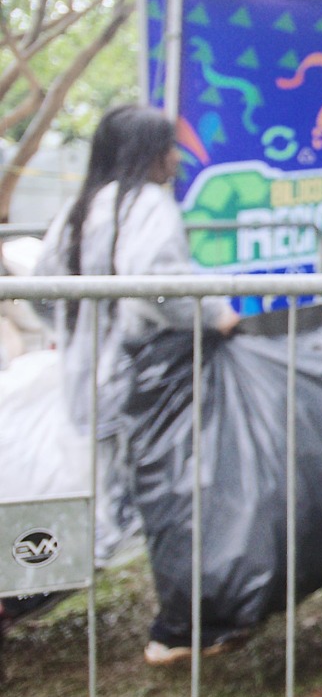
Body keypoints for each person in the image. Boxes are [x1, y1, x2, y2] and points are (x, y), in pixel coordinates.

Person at [34, 105, 239, 574]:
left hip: (84, 375)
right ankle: (161, 600)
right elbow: (157, 284)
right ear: (149, 154)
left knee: (106, 488)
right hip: (138, 378)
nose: (175, 157)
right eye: (168, 147)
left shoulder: (80, 207)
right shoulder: (147, 204)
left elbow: (41, 290)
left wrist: (73, 332)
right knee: (141, 496)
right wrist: (212, 315)